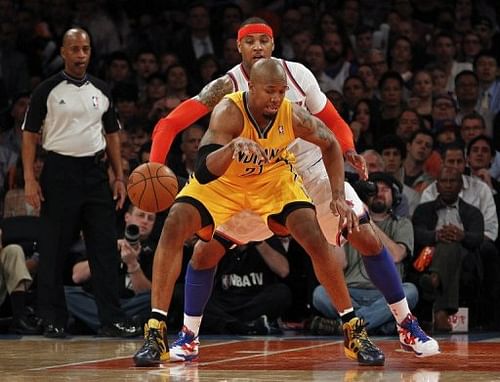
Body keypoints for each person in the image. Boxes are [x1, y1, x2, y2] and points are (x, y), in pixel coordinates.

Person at [148, 19, 437, 363]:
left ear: (273, 46)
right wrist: (154, 167)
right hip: (251, 178)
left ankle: (406, 324)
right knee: (204, 254)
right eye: (250, 41)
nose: (257, 47)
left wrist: (348, 148)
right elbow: (171, 123)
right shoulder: (225, 87)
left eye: (264, 41)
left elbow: (331, 122)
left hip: (308, 173)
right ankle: (188, 336)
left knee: (366, 237)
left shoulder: (296, 74)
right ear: (238, 48)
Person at [133, 58, 385, 367]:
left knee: (312, 235)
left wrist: (336, 195)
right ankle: (156, 331)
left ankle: (353, 330)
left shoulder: (291, 114)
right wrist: (233, 147)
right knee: (174, 223)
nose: (276, 98)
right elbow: (203, 168)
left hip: (272, 182)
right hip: (222, 182)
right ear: (251, 87)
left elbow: (330, 143)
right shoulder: (228, 110)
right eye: (270, 91)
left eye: (281, 91)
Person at [21, 28, 141, 338]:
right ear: (63, 52)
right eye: (74, 49)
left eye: (85, 48)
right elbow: (30, 136)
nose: (80, 55)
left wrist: (119, 176)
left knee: (103, 248)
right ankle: (52, 318)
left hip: (94, 172)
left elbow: (112, 134)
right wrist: (30, 179)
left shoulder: (101, 89)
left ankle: (111, 319)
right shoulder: (46, 90)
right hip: (58, 171)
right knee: (54, 249)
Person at [313, 172, 418, 334]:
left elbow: (396, 255)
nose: (379, 193)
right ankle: (377, 324)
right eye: (374, 189)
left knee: (410, 291)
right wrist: (339, 223)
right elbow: (340, 264)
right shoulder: (349, 220)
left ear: (395, 196)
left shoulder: (402, 224)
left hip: (385, 295)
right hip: (350, 292)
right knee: (320, 293)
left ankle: (350, 325)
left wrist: (366, 220)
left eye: (385, 190)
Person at [64, 205, 157, 333]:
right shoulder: (108, 240)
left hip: (132, 302)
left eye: (150, 218)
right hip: (101, 301)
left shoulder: (156, 251)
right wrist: (109, 252)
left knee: (154, 300)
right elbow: (77, 276)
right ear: (127, 217)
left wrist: (132, 264)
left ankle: (108, 322)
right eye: (141, 215)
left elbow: (148, 292)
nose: (145, 221)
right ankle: (118, 322)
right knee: (64, 293)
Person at [413, 166, 484, 331]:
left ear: (460, 186)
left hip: (464, 258)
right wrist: (436, 236)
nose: (448, 185)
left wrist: (462, 236)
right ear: (437, 186)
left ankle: (435, 279)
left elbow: (478, 237)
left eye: (453, 181)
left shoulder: (472, 212)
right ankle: (441, 313)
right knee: (447, 245)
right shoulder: (423, 210)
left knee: (452, 245)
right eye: (444, 181)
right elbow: (417, 233)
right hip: (428, 256)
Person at [202, 236, 292, 335]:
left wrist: (258, 242)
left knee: (282, 292)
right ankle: (243, 326)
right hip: (225, 303)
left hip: (254, 301)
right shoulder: (221, 239)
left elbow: (283, 271)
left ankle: (232, 325)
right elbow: (204, 275)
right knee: (192, 297)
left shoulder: (266, 237)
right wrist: (221, 245)